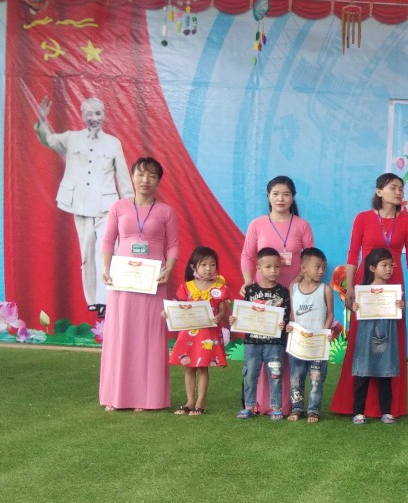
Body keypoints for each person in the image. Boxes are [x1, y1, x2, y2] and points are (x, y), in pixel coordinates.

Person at [330, 173, 408, 417]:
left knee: (391, 341)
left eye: (401, 188)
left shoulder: (407, 223)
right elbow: (353, 254)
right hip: (365, 284)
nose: (399, 192)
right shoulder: (363, 218)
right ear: (379, 191)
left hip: (394, 286)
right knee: (361, 340)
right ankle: (355, 405)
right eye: (393, 187)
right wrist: (351, 286)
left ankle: (387, 407)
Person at [35, 95, 131, 317]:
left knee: (107, 251)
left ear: (104, 115)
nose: (94, 118)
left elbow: (123, 176)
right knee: (87, 254)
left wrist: (129, 206)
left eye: (98, 113)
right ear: (82, 116)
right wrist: (41, 119)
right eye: (89, 114)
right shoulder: (72, 138)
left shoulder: (113, 143)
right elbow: (47, 139)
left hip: (107, 206)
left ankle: (106, 299)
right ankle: (93, 300)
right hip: (80, 204)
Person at [98, 157, 178, 411]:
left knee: (149, 335)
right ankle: (115, 397)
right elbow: (108, 241)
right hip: (123, 280)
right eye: (141, 174)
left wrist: (169, 268)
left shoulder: (165, 211)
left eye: (152, 176)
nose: (146, 180)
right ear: (132, 176)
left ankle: (147, 398)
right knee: (121, 334)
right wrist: (105, 268)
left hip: (154, 280)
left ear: (158, 181)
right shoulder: (119, 207)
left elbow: (173, 245)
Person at [241, 176, 315, 415]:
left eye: (286, 194)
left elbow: (310, 258)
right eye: (275, 194)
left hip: (295, 292)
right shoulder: (257, 224)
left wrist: (299, 281)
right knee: (263, 343)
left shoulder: (302, 225)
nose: (280, 198)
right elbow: (247, 255)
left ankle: (289, 402)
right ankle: (258, 402)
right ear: (268, 196)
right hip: (263, 294)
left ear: (293, 197)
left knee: (288, 345)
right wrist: (248, 282)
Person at [168, 245, 230, 415]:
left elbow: (223, 311)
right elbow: (180, 308)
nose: (208, 269)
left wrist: (219, 316)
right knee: (189, 367)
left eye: (212, 264)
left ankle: (200, 403)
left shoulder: (220, 288)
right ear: (193, 267)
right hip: (188, 334)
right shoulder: (186, 287)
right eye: (204, 264)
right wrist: (168, 313)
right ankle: (189, 401)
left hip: (208, 334)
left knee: (203, 367)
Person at [351, 247, 404, 424]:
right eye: (384, 265)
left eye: (391, 265)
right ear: (372, 268)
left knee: (386, 374)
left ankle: (386, 411)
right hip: (366, 334)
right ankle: (358, 411)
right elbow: (354, 308)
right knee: (362, 374)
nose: (389, 269)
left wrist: (400, 306)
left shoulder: (394, 292)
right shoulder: (363, 291)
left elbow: (398, 313)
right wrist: (355, 306)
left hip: (387, 332)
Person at [237, 248, 291, 420]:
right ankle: (249, 406)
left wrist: (284, 323)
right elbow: (245, 314)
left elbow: (287, 315)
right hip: (252, 342)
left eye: (277, 266)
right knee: (250, 374)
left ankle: (276, 408)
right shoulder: (250, 291)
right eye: (268, 267)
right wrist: (236, 319)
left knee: (275, 375)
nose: (273, 270)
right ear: (258, 267)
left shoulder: (283, 291)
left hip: (275, 344)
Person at [286, 247, 334, 423]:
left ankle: (313, 410)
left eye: (324, 267)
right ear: (304, 268)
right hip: (297, 344)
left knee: (316, 379)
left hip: (317, 346)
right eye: (317, 267)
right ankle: (297, 408)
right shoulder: (293, 288)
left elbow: (330, 314)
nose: (321, 271)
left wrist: (325, 332)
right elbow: (292, 313)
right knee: (296, 379)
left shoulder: (325, 289)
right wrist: (290, 326)